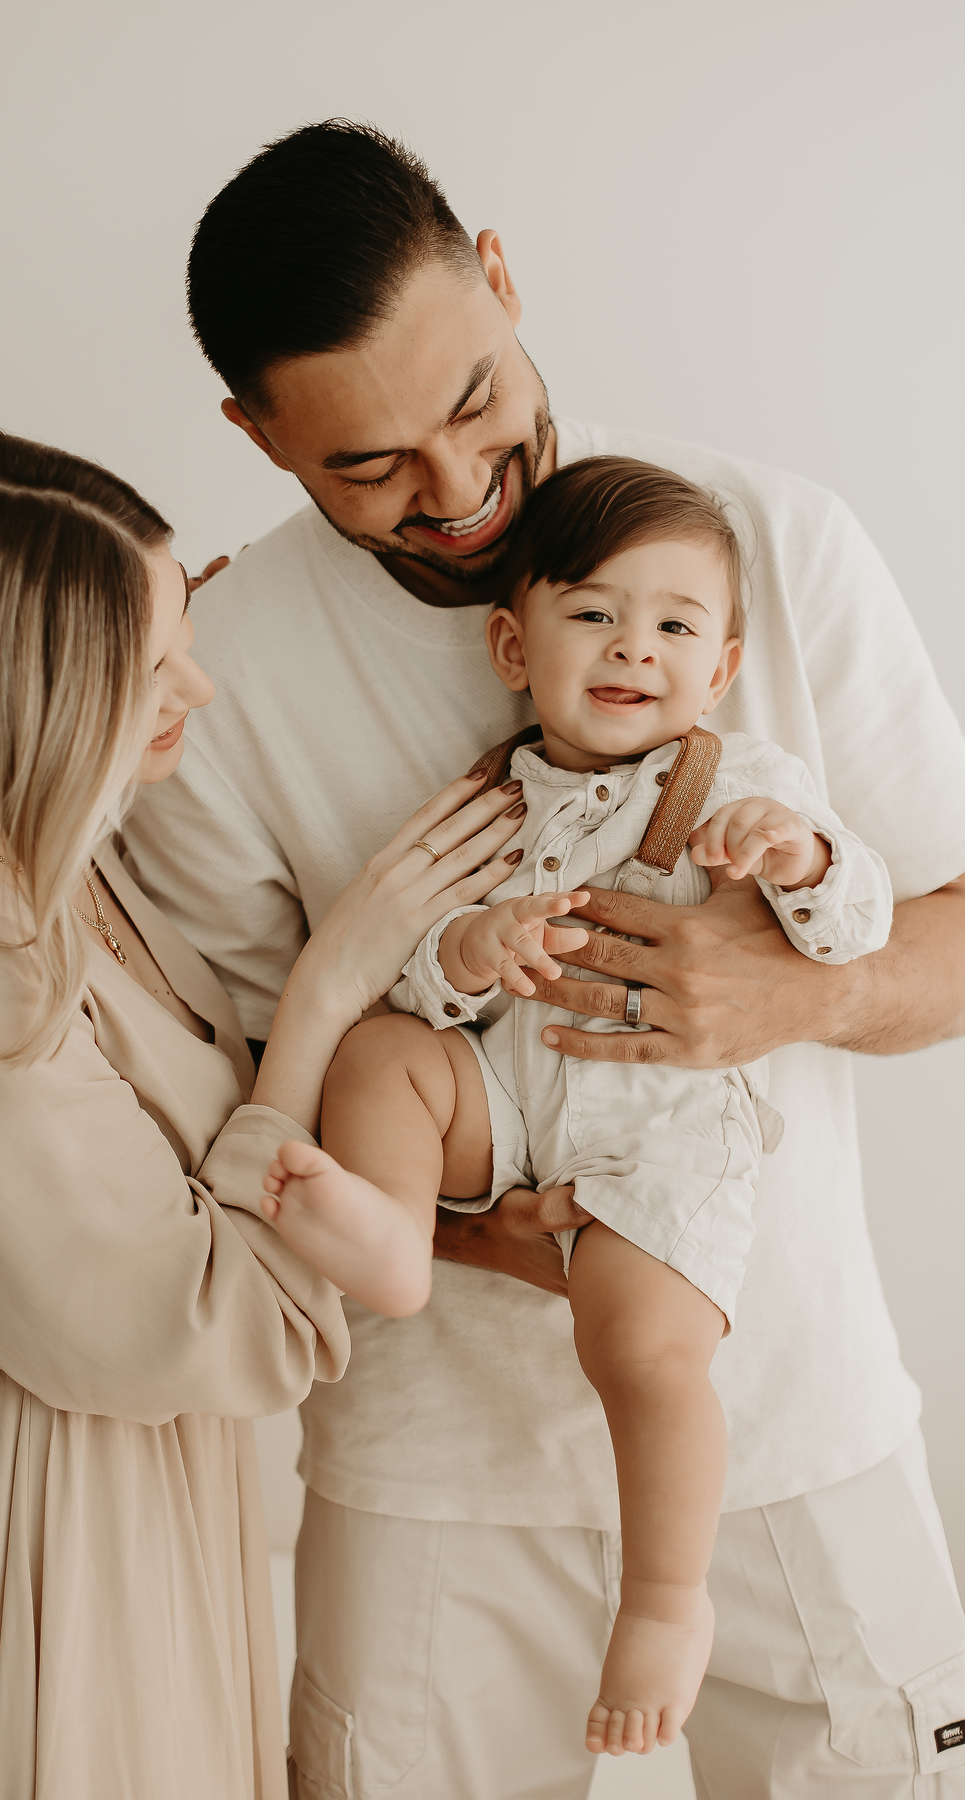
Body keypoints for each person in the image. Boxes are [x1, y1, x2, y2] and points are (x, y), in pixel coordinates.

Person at [124, 122, 965, 1797]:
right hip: (431, 1473)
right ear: (256, 435)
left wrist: (801, 991)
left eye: (475, 401)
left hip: (785, 1417)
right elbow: (244, 1094)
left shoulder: (767, 543)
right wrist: (479, 1230)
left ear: (501, 279)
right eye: (370, 465)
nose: (456, 491)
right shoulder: (221, 673)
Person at [0, 424, 528, 1800]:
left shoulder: (55, 876)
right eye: (151, 664)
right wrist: (330, 986)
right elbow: (211, 1319)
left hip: (121, 1494)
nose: (201, 685)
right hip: (36, 1533)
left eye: (187, 630)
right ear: (26, 694)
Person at [261, 453, 894, 1757]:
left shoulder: (740, 781)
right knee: (380, 1054)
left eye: (674, 627)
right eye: (593, 614)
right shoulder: (486, 801)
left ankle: (667, 1602)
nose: (632, 649)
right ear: (514, 645)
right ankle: (390, 1233)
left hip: (661, 1135)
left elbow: (858, 927)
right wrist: (467, 952)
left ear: (720, 668)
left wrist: (802, 857)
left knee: (645, 1355)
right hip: (508, 1097)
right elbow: (416, 974)